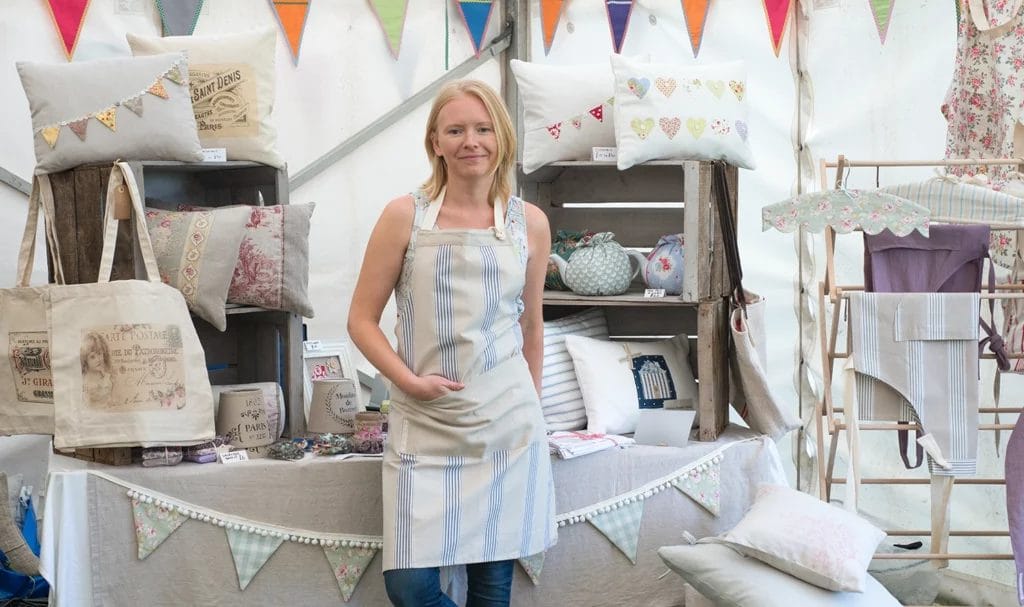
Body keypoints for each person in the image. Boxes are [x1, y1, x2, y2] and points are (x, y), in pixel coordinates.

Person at [348, 79, 557, 607]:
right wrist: (408, 382)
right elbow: (361, 320)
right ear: (435, 142)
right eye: (456, 130)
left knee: (491, 592)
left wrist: (531, 407)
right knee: (410, 588)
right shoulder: (405, 217)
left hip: (506, 426)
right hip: (424, 422)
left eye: (484, 129)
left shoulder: (528, 224)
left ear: (502, 138)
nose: (472, 141)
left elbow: (531, 327)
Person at [80, 331, 113, 409]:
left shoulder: (107, 377)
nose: (98, 359)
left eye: (99, 354)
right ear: (85, 360)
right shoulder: (84, 381)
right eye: (92, 357)